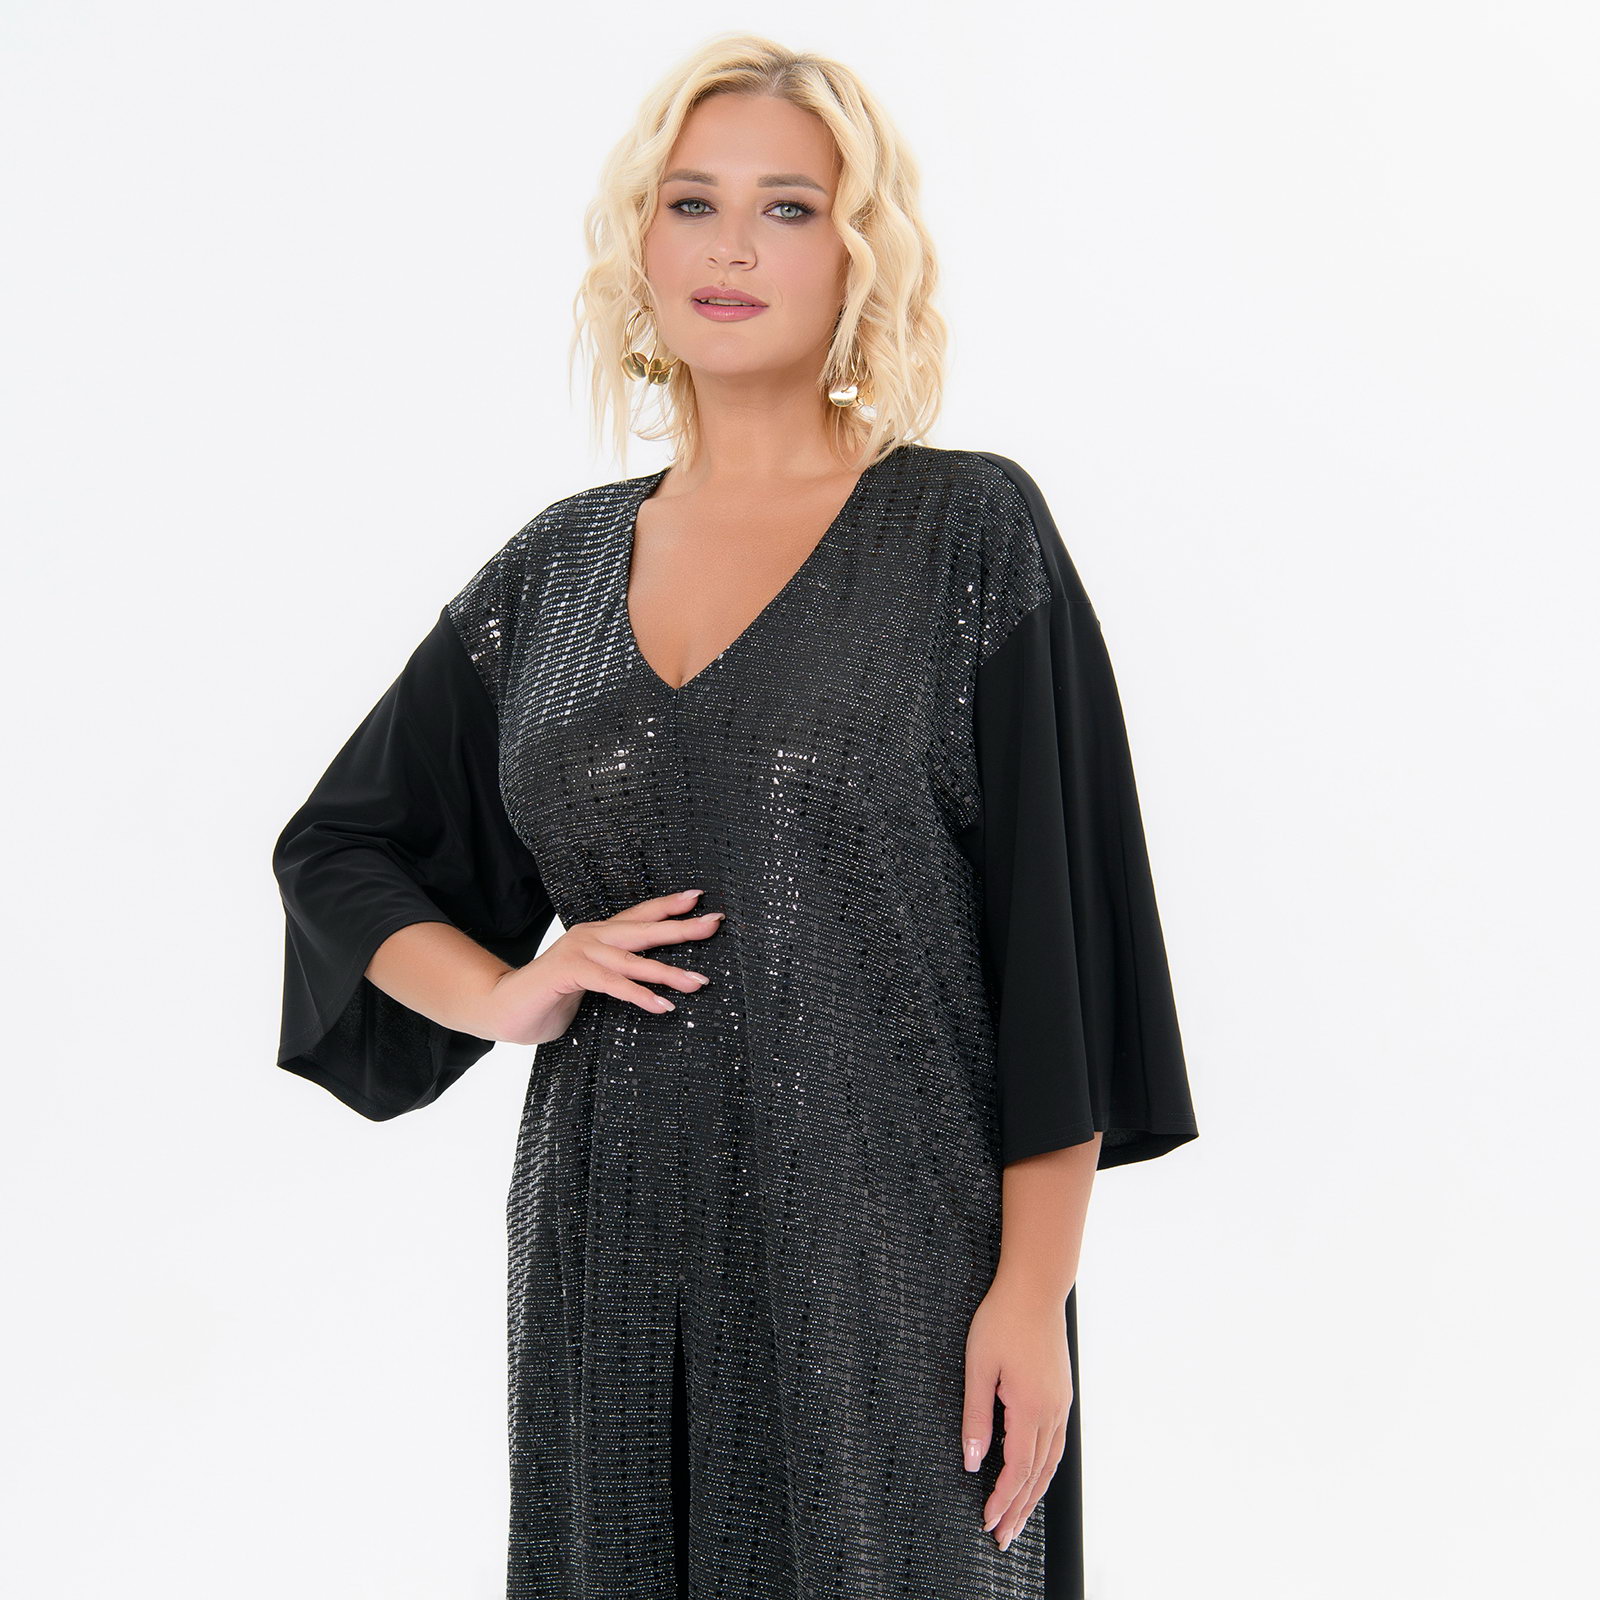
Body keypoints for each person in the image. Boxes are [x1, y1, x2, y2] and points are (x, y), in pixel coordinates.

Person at [271, 32, 1199, 1600]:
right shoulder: (552, 576)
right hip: (612, 1261)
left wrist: (1032, 1292)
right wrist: (502, 991)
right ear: (639, 243)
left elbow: (1063, 943)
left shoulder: (968, 534)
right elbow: (342, 848)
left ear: (860, 253)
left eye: (788, 208)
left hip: (895, 1260)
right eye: (693, 203)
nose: (733, 247)